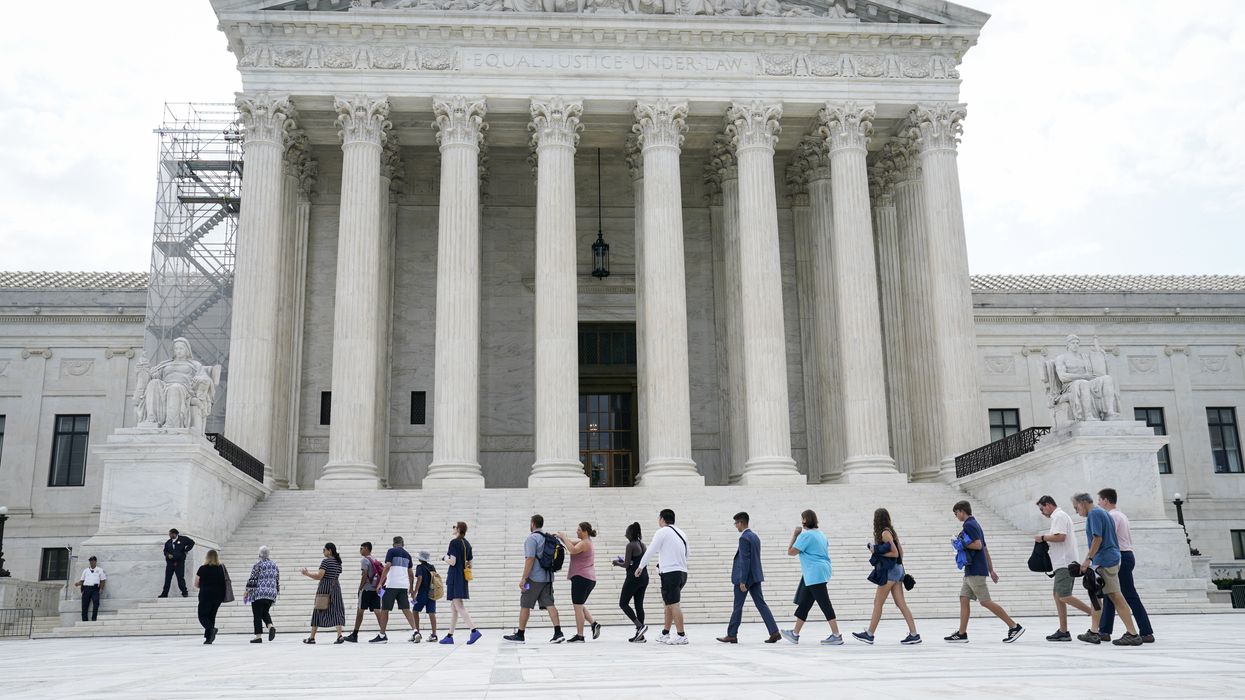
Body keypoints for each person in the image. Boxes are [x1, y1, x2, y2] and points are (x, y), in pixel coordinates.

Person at [944, 501, 1024, 644]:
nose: (956, 516)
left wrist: (960, 543)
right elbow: (985, 549)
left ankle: (1014, 626)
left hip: (975, 569)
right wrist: (991, 569)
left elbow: (978, 545)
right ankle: (962, 633)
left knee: (985, 601)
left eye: (956, 513)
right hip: (972, 570)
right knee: (963, 598)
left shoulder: (969, 525)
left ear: (962, 511)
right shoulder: (976, 525)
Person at [1071, 493, 1143, 646]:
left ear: (1083, 503)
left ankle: (1132, 633)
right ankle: (1094, 631)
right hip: (1105, 559)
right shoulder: (1102, 513)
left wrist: (1088, 558)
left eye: (1076, 507)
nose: (1077, 511)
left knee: (1116, 596)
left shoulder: (1094, 514)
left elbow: (1098, 538)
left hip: (1105, 560)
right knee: (1095, 596)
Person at [853, 508, 920, 645]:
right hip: (898, 570)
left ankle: (869, 634)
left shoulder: (884, 533)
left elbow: (895, 553)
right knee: (901, 603)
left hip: (890, 572)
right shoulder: (891, 531)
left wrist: (876, 552)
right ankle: (914, 634)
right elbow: (901, 552)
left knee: (878, 602)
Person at [1096, 488, 1155, 644]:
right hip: (1126, 555)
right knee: (1111, 593)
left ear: (1106, 500)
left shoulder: (1112, 516)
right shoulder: (1121, 515)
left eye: (1100, 500)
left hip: (1120, 556)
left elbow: (1109, 538)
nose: (1098, 503)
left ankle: (1146, 632)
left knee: (1128, 594)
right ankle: (1104, 631)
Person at [1034, 495, 1094, 642]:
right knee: (1057, 595)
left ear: (1048, 505)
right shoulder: (1059, 517)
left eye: (1042, 509)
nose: (1042, 513)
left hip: (1065, 562)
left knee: (1063, 595)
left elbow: (1060, 537)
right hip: (1061, 562)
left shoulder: (1059, 516)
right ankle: (1063, 630)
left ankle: (1095, 613)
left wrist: (1043, 537)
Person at [780, 509, 842, 646]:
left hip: (814, 573)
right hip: (820, 571)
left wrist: (795, 534)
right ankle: (795, 634)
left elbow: (791, 552)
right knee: (805, 604)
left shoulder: (805, 536)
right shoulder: (821, 534)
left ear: (804, 520)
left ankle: (836, 635)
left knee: (825, 604)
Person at [717, 512, 780, 644]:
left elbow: (744, 561)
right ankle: (774, 631)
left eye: (736, 523)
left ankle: (732, 634)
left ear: (740, 522)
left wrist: (742, 581)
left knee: (738, 606)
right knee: (761, 604)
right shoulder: (755, 536)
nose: (736, 526)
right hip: (756, 576)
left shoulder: (744, 538)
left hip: (745, 579)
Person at [504, 514, 565, 644]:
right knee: (550, 604)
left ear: (532, 524)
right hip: (548, 578)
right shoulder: (547, 537)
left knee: (525, 603)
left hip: (533, 579)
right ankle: (558, 632)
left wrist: (523, 579)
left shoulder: (532, 539)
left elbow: (530, 559)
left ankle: (520, 634)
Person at [634, 508, 690, 645]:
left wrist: (640, 566)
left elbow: (651, 550)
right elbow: (687, 552)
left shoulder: (662, 532)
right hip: (682, 571)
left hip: (671, 573)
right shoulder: (681, 532)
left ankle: (681, 634)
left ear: (662, 519)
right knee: (669, 603)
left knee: (674, 603)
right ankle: (665, 632)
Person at [557, 522, 601, 642]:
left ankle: (580, 635)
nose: (577, 531)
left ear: (585, 531)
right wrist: (558, 536)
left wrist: (564, 537)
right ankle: (594, 624)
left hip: (581, 578)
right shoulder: (585, 542)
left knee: (577, 607)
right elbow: (570, 542)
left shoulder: (585, 543)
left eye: (579, 530)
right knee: (579, 605)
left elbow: (572, 550)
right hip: (587, 578)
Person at [371, 536, 418, 644]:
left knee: (385, 610)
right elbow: (411, 574)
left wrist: (380, 583)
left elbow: (387, 566)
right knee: (406, 609)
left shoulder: (391, 551)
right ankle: (415, 631)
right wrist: (411, 588)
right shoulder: (407, 555)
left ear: (393, 544)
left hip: (391, 585)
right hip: (403, 585)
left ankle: (382, 635)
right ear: (403, 543)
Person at [442, 521, 482, 645]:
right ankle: (449, 635)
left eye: (454, 526)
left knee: (459, 606)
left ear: (458, 529)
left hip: (454, 577)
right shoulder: (467, 544)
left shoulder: (454, 542)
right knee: (454, 608)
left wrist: (444, 558)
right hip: (462, 577)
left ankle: (474, 630)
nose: (452, 528)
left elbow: (452, 562)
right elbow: (470, 564)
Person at [612, 521, 649, 643]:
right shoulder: (642, 545)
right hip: (644, 577)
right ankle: (640, 636)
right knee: (639, 605)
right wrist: (624, 561)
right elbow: (636, 561)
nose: (625, 535)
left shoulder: (630, 545)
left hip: (633, 578)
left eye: (626, 532)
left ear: (631, 533)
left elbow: (626, 564)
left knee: (623, 603)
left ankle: (640, 626)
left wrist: (617, 562)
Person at [301, 542, 345, 644]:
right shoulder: (338, 562)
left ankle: (312, 638)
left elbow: (319, 576)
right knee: (337, 610)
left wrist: (307, 574)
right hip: (336, 588)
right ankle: (339, 636)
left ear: (329, 550)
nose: (323, 552)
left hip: (324, 588)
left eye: (324, 550)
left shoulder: (326, 561)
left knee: (318, 610)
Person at [343, 542, 383, 643]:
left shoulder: (365, 560)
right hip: (376, 589)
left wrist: (360, 587)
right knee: (378, 611)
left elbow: (364, 575)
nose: (360, 550)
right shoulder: (374, 559)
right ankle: (383, 634)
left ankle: (355, 634)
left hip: (366, 589)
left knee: (360, 611)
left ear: (366, 548)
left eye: (361, 548)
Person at [246, 545, 279, 643]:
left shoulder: (258, 564)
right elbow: (277, 580)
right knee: (264, 612)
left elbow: (253, 579)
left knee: (257, 615)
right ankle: (270, 626)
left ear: (260, 554)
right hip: (271, 593)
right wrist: (276, 593)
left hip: (259, 593)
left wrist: (247, 591)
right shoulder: (274, 565)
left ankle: (258, 637)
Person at [194, 549, 228, 644]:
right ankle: (208, 638)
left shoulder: (202, 568)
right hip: (218, 596)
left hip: (206, 595)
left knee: (202, 616)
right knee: (211, 616)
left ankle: (211, 629)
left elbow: (196, 584)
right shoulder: (221, 568)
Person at [411, 550, 439, 643]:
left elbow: (419, 578)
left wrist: (415, 591)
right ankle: (434, 634)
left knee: (415, 611)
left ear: (420, 558)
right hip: (432, 593)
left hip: (422, 593)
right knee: (432, 613)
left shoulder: (419, 567)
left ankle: (417, 633)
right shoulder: (432, 567)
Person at [159, 528, 195, 598]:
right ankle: (164, 593)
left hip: (179, 562)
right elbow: (165, 551)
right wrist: (167, 555)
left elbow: (192, 542)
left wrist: (186, 550)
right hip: (170, 563)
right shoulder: (168, 542)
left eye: (171, 534)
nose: (169, 535)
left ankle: (184, 592)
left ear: (175, 534)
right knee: (167, 578)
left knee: (180, 578)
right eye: (169, 534)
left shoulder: (183, 539)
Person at [75, 556, 106, 622]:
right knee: (84, 605)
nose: (91, 562)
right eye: (90, 561)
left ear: (95, 561)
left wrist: (101, 588)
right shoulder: (86, 570)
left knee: (96, 603)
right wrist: (78, 583)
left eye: (93, 560)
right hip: (86, 589)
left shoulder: (100, 570)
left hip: (95, 589)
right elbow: (82, 580)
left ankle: (94, 619)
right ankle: (84, 620)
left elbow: (103, 580)